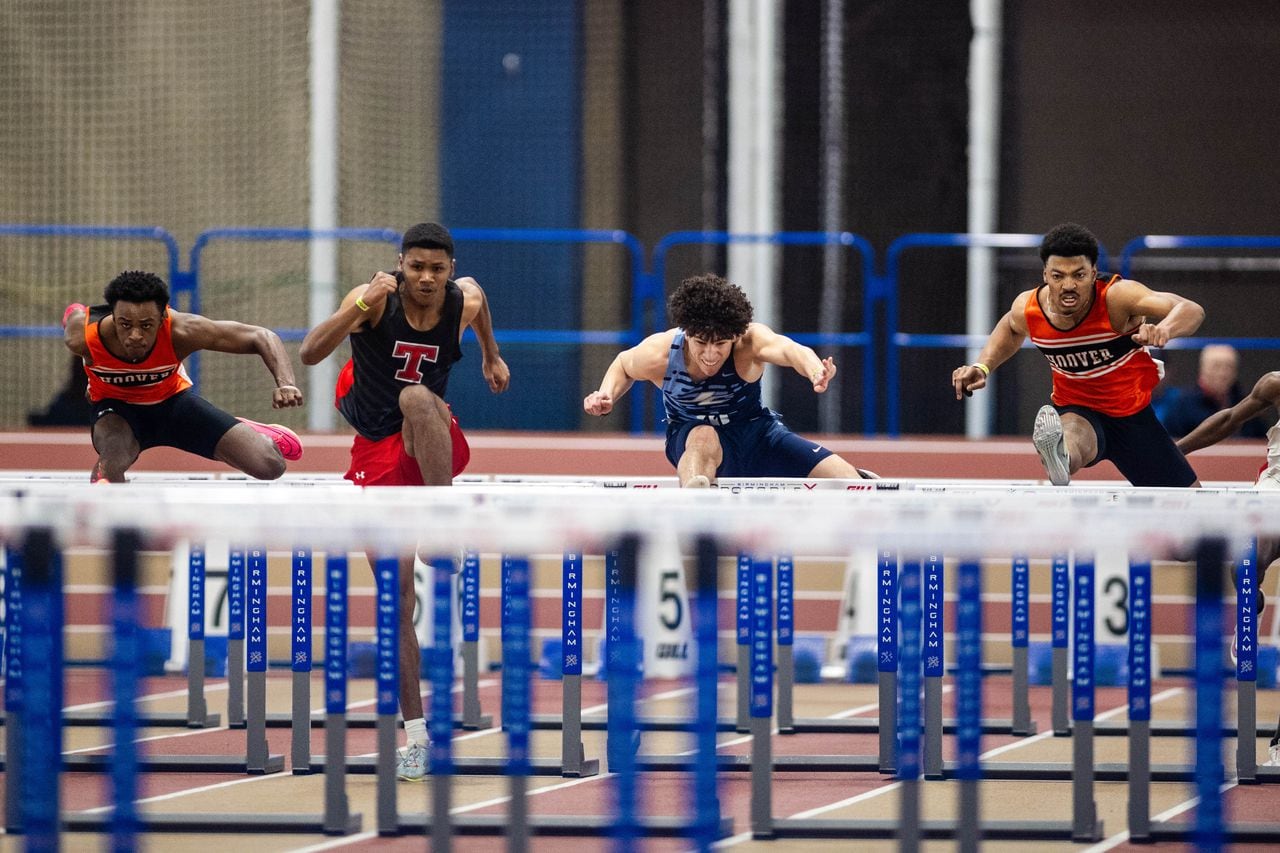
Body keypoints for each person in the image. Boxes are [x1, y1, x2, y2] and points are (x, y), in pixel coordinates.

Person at [299, 221, 509, 782]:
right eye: (416, 267)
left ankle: (443, 521)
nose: (425, 277)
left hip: (430, 439)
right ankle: (416, 737)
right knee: (396, 606)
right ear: (400, 263)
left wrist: (490, 355)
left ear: (448, 271)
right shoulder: (373, 300)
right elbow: (310, 351)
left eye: (437, 270)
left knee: (418, 397)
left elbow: (481, 303)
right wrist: (358, 305)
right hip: (373, 446)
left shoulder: (463, 299)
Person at [951, 222, 1205, 487]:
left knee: (1191, 503)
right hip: (1077, 409)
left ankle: (1064, 453)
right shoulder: (1029, 309)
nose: (1068, 285)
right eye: (1058, 276)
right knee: (1072, 436)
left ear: (1094, 273)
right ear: (1045, 275)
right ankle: (1061, 456)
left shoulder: (1117, 298)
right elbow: (1010, 328)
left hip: (1133, 417)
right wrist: (982, 367)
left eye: (1079, 275)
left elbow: (1190, 310)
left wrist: (1164, 329)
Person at [582, 273, 875, 486]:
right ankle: (696, 510)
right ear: (686, 333)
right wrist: (605, 394)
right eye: (700, 343)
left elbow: (789, 349)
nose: (710, 355)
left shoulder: (749, 342)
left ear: (734, 337)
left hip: (758, 435)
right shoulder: (660, 353)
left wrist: (814, 370)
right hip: (691, 436)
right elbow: (623, 364)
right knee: (703, 435)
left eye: (720, 345)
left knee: (854, 486)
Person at [63, 270, 304, 484]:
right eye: (125, 325)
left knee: (270, 465)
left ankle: (250, 430)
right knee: (107, 473)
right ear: (113, 318)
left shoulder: (182, 330)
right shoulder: (82, 336)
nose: (135, 335)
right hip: (117, 414)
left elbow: (261, 336)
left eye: (146, 326)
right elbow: (75, 322)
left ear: (163, 319)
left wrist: (286, 384)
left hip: (174, 405)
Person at [1156, 344, 1270, 439]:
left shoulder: (1248, 404)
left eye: (1229, 367)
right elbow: (1171, 445)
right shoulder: (1182, 405)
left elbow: (1261, 444)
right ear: (1202, 370)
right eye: (1216, 366)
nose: (1222, 374)